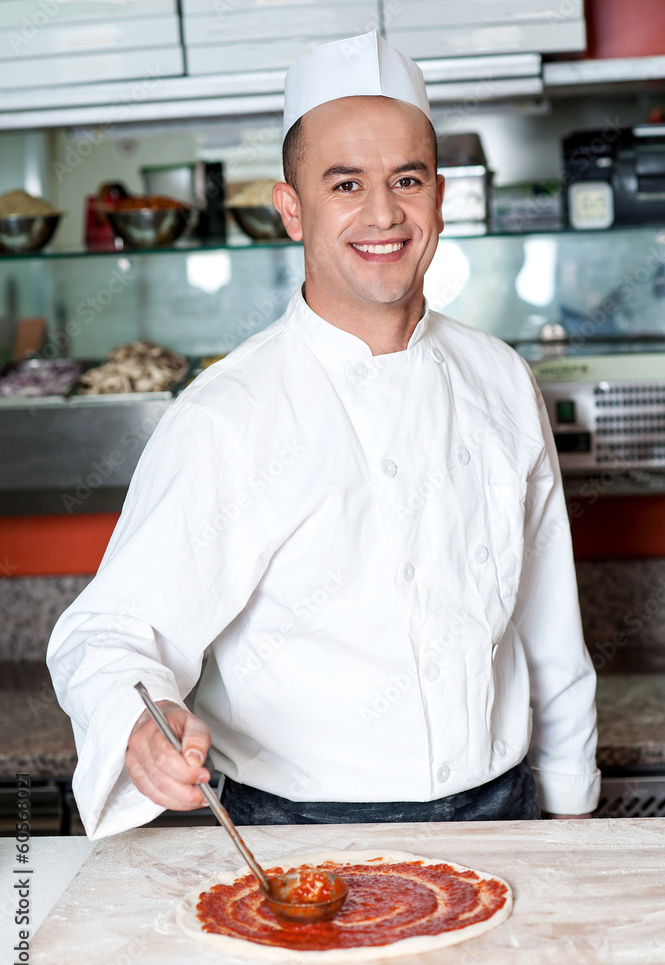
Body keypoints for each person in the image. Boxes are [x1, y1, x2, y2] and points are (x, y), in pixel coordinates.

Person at [47, 30, 600, 840]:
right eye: (345, 184)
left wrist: (571, 804)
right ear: (291, 208)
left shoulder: (499, 378)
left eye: (405, 180)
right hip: (299, 834)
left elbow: (549, 623)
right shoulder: (226, 415)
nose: (383, 214)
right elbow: (112, 632)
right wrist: (143, 724)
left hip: (504, 815)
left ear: (438, 197)